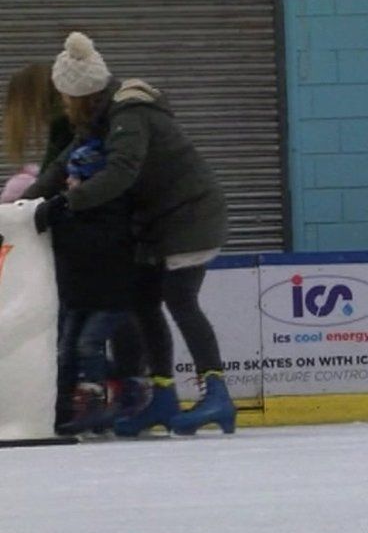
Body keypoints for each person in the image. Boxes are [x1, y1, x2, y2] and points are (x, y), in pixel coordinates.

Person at [24, 31, 234, 436]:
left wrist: (67, 203)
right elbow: (60, 167)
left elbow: (122, 171)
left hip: (190, 217)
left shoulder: (128, 113)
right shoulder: (101, 118)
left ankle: (218, 394)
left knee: (180, 300)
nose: (63, 105)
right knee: (143, 302)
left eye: (65, 98)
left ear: (80, 94)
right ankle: (162, 394)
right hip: (160, 224)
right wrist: (24, 206)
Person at [3, 60, 146, 431]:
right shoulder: (81, 124)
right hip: (87, 283)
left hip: (103, 284)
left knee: (84, 340)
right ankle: (88, 395)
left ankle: (116, 390)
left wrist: (41, 205)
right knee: (76, 342)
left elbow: (59, 166)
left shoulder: (76, 128)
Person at [43, 136, 135, 435]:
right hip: (76, 295)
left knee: (88, 344)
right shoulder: (66, 212)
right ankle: (66, 406)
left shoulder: (111, 214)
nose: (69, 182)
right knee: (66, 350)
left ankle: (95, 399)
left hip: (110, 297)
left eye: (76, 177)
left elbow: (96, 247)